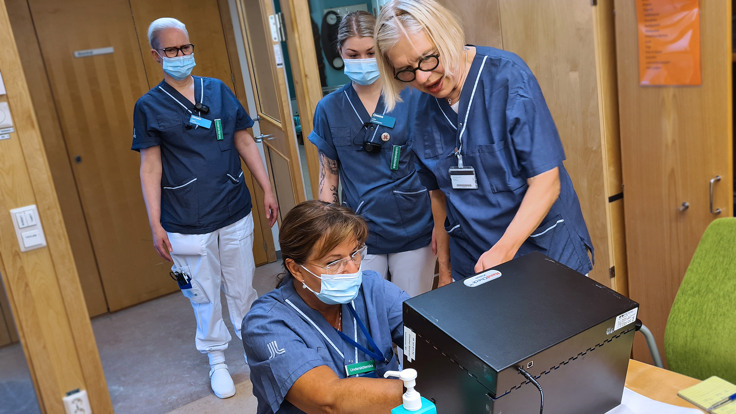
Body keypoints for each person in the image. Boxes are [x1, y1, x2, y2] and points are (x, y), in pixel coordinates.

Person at [374, 0, 593, 284]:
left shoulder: (508, 78)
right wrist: (446, 271)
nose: (423, 77)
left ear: (448, 35)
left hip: (544, 252)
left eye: (429, 58)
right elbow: (437, 195)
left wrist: (504, 249)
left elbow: (546, 182)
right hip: (475, 262)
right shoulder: (417, 107)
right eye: (406, 71)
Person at [131, 17, 278, 399]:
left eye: (186, 48)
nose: (181, 56)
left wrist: (267, 187)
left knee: (242, 285)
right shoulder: (148, 106)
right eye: (172, 51)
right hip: (184, 218)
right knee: (204, 293)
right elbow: (150, 166)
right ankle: (216, 359)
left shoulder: (217, 90)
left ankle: (254, 349)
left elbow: (244, 140)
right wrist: (155, 224)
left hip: (232, 206)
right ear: (156, 55)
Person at [309, 11, 435, 297]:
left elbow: (434, 167)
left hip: (415, 228)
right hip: (357, 233)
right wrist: (329, 235)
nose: (362, 61)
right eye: (353, 54)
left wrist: (441, 226)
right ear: (340, 51)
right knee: (366, 312)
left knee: (411, 313)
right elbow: (329, 175)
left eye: (370, 52)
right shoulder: (329, 108)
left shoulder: (412, 96)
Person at [243, 200, 407, 413]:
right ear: (296, 269)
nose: (352, 269)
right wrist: (423, 393)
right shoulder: (265, 323)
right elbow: (328, 399)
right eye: (333, 262)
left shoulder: (372, 288)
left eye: (354, 253)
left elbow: (433, 331)